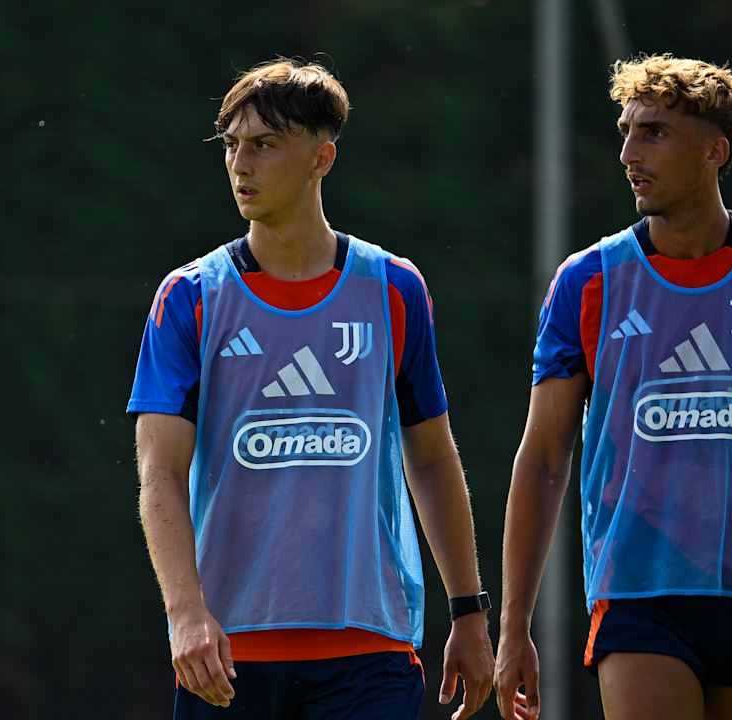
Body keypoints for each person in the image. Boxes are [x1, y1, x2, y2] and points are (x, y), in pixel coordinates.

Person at [494, 54, 732, 720]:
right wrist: (513, 625)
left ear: (714, 151)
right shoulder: (589, 281)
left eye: (654, 133)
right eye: (626, 131)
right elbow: (544, 458)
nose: (629, 153)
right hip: (640, 597)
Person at [129, 58, 494, 719]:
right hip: (227, 657)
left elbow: (433, 457)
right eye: (232, 145)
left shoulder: (392, 289)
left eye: (265, 145)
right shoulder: (190, 298)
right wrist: (185, 614)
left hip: (370, 650)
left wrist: (469, 613)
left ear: (322, 157)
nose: (242, 164)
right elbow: (160, 470)